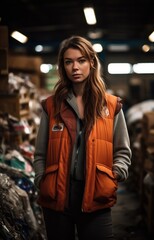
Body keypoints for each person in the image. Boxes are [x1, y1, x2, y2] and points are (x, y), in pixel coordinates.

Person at [33, 35, 132, 240]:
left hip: (96, 194)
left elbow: (122, 150)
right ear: (63, 66)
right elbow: (40, 152)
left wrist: (115, 175)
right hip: (57, 196)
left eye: (81, 60)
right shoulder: (51, 106)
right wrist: (41, 179)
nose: (75, 67)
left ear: (92, 63)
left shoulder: (111, 105)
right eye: (68, 62)